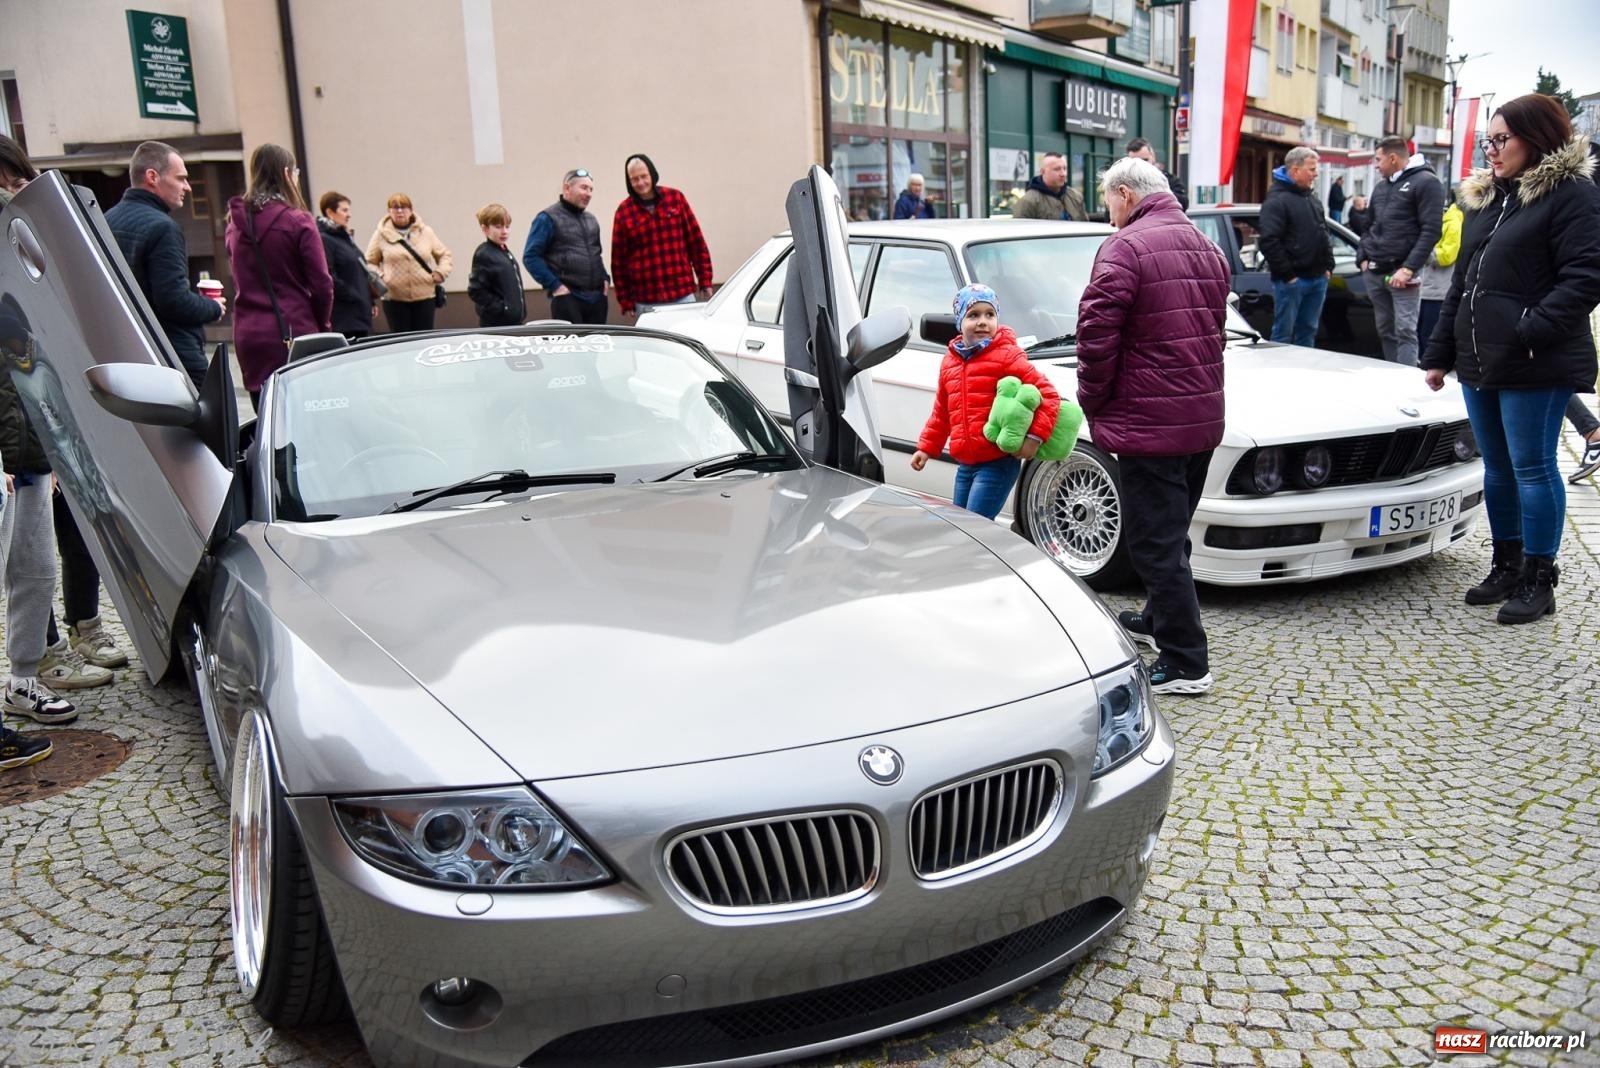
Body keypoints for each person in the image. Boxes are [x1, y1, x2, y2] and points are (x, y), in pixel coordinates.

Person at [1420, 94, 1600, 624]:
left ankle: (1540, 579)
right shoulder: (1489, 199)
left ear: (1537, 137)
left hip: (1534, 359)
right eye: (1488, 140)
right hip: (1481, 360)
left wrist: (1530, 330)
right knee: (1496, 470)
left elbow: (1586, 276)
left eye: (1503, 139)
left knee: (1533, 467)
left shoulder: (1574, 196)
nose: (1492, 150)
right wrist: (1439, 353)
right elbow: (1464, 283)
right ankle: (1507, 564)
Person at [1075, 158, 1230, 696]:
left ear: (1124, 194)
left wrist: (1092, 402)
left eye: (1108, 200)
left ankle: (1187, 661)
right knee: (1170, 532)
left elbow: (1095, 338)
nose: (1108, 212)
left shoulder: (1125, 247)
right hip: (1199, 418)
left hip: (1150, 422)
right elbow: (1214, 332)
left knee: (1154, 543)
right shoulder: (1207, 246)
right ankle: (1160, 618)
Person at [1, 136, 122, 696]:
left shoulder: (30, 233)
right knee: (30, 561)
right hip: (22, 431)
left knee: (51, 548)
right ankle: (37, 665)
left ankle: (62, 645)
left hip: (46, 412)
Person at [0, 293, 78, 771]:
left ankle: (22, 681)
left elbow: (36, 387)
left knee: (37, 575)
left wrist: (50, 459)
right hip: (3, 468)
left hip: (29, 467)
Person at [910, 284, 1061, 519]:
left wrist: (1033, 438)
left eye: (990, 314)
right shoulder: (950, 362)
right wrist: (926, 448)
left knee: (974, 527)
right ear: (959, 321)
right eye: (973, 315)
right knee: (961, 526)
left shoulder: (1007, 356)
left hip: (997, 463)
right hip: (966, 465)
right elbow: (942, 413)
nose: (983, 321)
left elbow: (1049, 396)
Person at [104, 141, 226, 387]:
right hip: (174, 356)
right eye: (181, 178)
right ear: (153, 177)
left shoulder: (107, 220)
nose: (188, 187)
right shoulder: (163, 228)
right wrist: (213, 307)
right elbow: (173, 300)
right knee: (205, 423)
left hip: (130, 352)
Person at [225, 144, 333, 410]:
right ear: (287, 174)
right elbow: (322, 283)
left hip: (249, 334)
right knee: (304, 417)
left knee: (266, 418)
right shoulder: (297, 221)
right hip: (294, 329)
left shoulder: (235, 224)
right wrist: (323, 325)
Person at [1359, 136, 1444, 366]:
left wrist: (1408, 268)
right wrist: (1362, 258)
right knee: (1385, 329)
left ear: (1393, 158)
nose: (1376, 165)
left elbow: (1431, 230)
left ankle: (1404, 381)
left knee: (1406, 331)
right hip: (1375, 271)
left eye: (1378, 159)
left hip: (1402, 274)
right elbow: (1368, 225)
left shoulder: (1427, 182)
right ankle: (1391, 375)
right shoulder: (1381, 186)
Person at [609, 154, 713, 318]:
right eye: (634, 179)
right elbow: (619, 262)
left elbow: (696, 242)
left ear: (652, 174)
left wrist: (705, 279)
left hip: (681, 294)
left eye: (644, 176)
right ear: (629, 182)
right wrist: (625, 300)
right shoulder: (624, 212)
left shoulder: (676, 199)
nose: (640, 183)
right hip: (646, 300)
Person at [1258, 146, 1333, 347]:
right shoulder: (1276, 201)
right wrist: (1288, 275)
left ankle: (1304, 375)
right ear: (1295, 170)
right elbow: (1269, 240)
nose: (1315, 174)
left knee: (1308, 332)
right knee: (1283, 335)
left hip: (1317, 278)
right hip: (1292, 282)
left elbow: (1323, 233)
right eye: (1311, 169)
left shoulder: (1312, 199)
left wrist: (1328, 266)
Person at [525, 168, 611, 324]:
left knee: (598, 347)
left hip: (597, 300)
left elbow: (596, 254)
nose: (589, 193)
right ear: (566, 188)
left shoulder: (591, 220)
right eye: (584, 188)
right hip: (568, 299)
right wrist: (556, 286)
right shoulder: (547, 218)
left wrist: (605, 280)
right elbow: (531, 257)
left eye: (591, 189)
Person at [366, 193, 452, 334]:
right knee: (400, 340)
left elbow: (444, 255)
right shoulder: (380, 234)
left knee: (423, 339)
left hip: (424, 296)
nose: (400, 211)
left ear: (411, 210)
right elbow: (369, 262)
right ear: (389, 212)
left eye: (404, 207)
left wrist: (440, 272)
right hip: (394, 298)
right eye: (395, 208)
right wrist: (381, 276)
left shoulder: (426, 232)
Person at [317, 191, 376, 341]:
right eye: (344, 210)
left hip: (360, 315)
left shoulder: (344, 237)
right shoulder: (325, 240)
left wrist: (370, 299)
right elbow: (329, 276)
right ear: (330, 212)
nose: (348, 215)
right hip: (345, 319)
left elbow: (360, 271)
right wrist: (354, 296)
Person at [468, 203, 527, 327]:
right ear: (485, 229)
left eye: (507, 226)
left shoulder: (503, 251)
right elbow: (476, 290)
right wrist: (501, 309)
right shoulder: (484, 253)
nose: (504, 231)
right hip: (497, 324)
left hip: (513, 323)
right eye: (498, 227)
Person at [1416, 194, 1462, 347]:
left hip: (1437, 291)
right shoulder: (1445, 219)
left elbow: (1447, 256)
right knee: (1422, 336)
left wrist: (1421, 251)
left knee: (1428, 338)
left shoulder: (1453, 222)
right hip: (1429, 288)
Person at [1013, 153, 1086, 221]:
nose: (1063, 173)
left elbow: (1085, 226)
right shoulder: (1029, 201)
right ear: (1042, 172)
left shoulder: (1075, 196)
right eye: (1057, 169)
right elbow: (1020, 230)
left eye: (1064, 168)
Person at [1125, 137, 1189, 210]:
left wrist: (1160, 190)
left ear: (1153, 157)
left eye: (1145, 160)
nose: (1142, 165)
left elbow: (1183, 203)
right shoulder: (1124, 183)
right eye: (1136, 163)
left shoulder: (1168, 179)